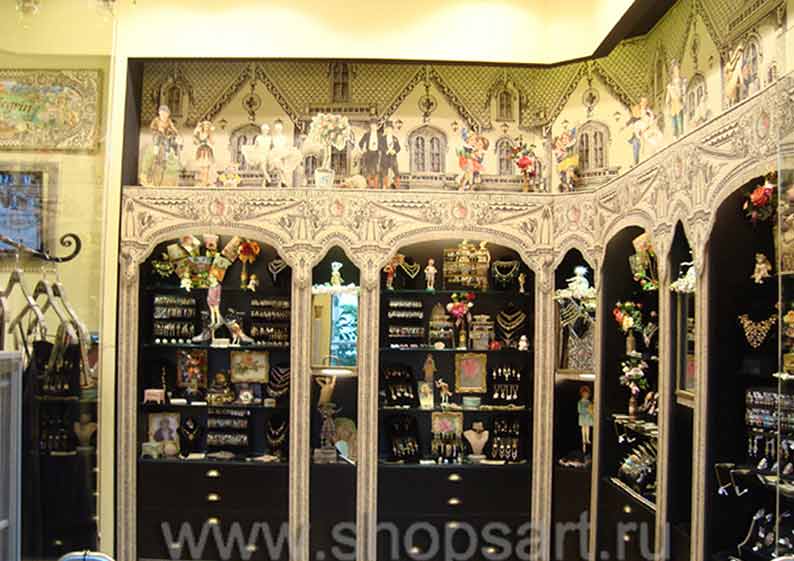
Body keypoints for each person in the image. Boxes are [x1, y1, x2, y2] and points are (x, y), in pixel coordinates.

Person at [359, 118, 384, 188]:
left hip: (376, 154)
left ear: (377, 126)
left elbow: (383, 145)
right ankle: (369, 185)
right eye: (372, 125)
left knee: (376, 169)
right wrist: (363, 149)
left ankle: (376, 186)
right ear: (370, 126)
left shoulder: (380, 136)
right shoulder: (366, 135)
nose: (373, 127)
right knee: (368, 169)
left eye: (375, 125)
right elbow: (360, 143)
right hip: (368, 153)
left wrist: (381, 150)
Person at [380, 121, 401, 188]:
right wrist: (386, 151)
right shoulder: (382, 138)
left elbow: (398, 147)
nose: (389, 130)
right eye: (388, 129)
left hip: (393, 157)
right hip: (385, 157)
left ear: (392, 130)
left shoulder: (395, 138)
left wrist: (394, 151)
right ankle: (385, 185)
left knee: (396, 171)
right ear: (386, 130)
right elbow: (380, 146)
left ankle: (397, 185)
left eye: (390, 129)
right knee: (384, 172)